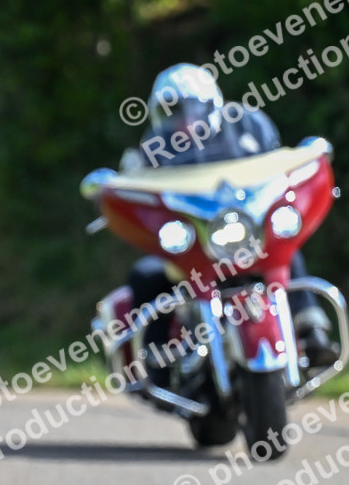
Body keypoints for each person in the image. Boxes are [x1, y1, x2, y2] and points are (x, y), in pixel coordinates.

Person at [120, 64, 336, 367]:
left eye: (191, 109)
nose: (183, 120)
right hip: (194, 246)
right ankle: (156, 358)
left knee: (286, 251)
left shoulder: (249, 129)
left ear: (212, 105)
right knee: (145, 274)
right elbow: (136, 186)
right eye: (172, 112)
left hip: (247, 233)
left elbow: (276, 169)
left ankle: (311, 328)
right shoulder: (152, 151)